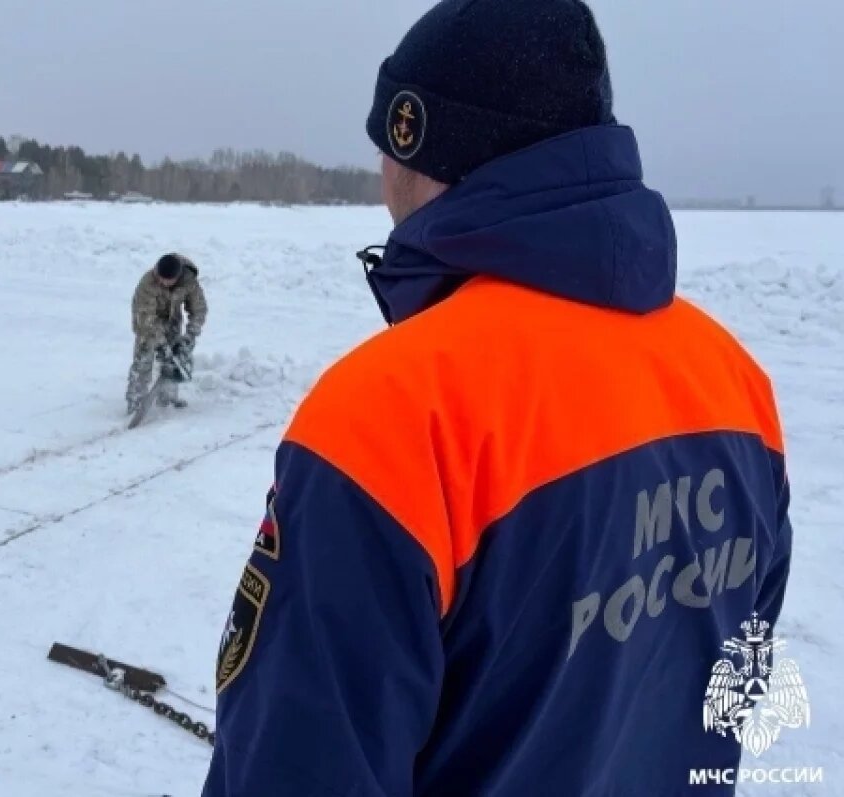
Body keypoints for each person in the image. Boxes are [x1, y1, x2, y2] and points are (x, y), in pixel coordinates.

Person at [203, 1, 794, 795]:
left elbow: (297, 767)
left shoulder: (392, 414)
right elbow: (729, 683)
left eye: (384, 144)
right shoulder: (732, 379)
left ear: (420, 149)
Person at [126, 253, 207, 414]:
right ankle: (136, 400)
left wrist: (190, 335)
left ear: (177, 277)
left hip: (172, 322)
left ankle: (168, 397)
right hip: (147, 324)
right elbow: (144, 318)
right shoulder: (147, 284)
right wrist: (161, 344)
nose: (162, 282)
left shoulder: (188, 281)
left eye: (167, 280)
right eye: (160, 278)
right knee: (143, 359)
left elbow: (199, 309)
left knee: (173, 360)